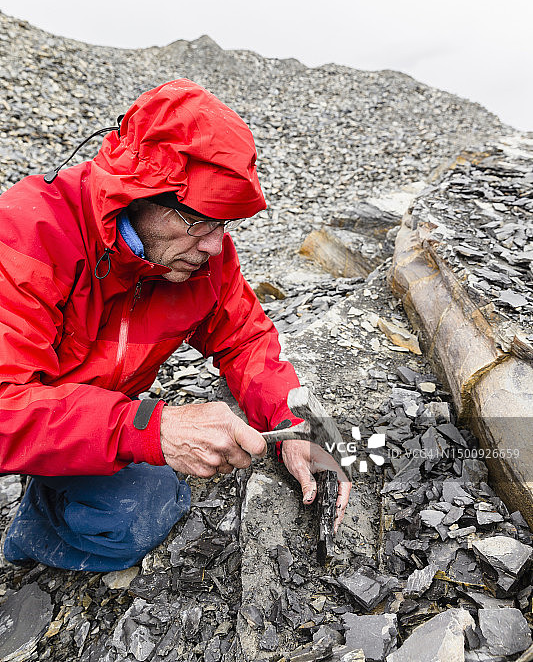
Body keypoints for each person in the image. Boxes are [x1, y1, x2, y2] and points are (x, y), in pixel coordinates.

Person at [0, 79, 351, 571]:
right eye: (201, 222)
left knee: (140, 510)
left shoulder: (202, 258)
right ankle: (30, 537)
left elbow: (244, 337)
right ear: (138, 193)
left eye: (224, 224)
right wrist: (149, 427)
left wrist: (290, 423)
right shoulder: (26, 236)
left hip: (88, 416)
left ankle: (45, 506)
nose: (214, 246)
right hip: (32, 411)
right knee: (136, 508)